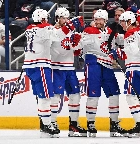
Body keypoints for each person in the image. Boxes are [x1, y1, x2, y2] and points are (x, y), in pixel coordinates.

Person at [74, 9, 127, 137]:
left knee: (114, 94)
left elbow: (122, 43)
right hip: (93, 64)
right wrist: (76, 37)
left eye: (100, 19)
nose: (97, 22)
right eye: (96, 19)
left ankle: (114, 124)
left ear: (105, 20)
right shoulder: (89, 31)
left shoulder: (111, 32)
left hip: (108, 66)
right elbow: (77, 46)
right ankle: (91, 123)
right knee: (93, 94)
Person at [49, 7, 87, 137]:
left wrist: (78, 45)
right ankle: (52, 123)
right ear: (57, 18)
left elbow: (75, 51)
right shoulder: (52, 31)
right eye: (62, 18)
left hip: (70, 68)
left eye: (67, 18)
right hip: (56, 68)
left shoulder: (70, 32)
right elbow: (56, 51)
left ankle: (73, 125)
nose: (65, 20)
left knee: (75, 95)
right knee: (55, 97)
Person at [22, 9, 58, 138]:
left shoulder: (29, 28)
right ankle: (47, 125)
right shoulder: (44, 29)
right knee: (45, 96)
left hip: (30, 66)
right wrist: (68, 26)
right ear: (43, 19)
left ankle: (43, 124)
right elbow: (56, 36)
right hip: (40, 65)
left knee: (40, 96)